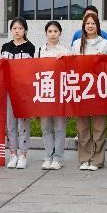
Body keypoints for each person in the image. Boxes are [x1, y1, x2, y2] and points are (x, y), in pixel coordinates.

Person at [72, 12, 107, 171]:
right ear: (84, 26)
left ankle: (97, 160)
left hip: (98, 89)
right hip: (81, 88)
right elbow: (72, 64)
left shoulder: (104, 44)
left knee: (99, 127)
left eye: (93, 23)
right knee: (82, 127)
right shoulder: (77, 44)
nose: (90, 26)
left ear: (97, 26)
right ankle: (84, 158)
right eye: (87, 23)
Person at [1, 17, 35, 169]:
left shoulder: (30, 47)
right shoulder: (5, 47)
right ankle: (13, 154)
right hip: (8, 90)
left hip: (23, 91)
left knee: (23, 123)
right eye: (14, 28)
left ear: (25, 30)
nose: (17, 31)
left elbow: (33, 69)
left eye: (20, 28)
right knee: (10, 124)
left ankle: (23, 155)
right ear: (11, 30)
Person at [37, 21, 68, 171]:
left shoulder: (65, 51)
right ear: (46, 33)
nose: (53, 34)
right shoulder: (39, 51)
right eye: (50, 31)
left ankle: (58, 158)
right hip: (44, 93)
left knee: (60, 127)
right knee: (45, 127)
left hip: (60, 94)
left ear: (60, 33)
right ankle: (48, 156)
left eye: (55, 31)